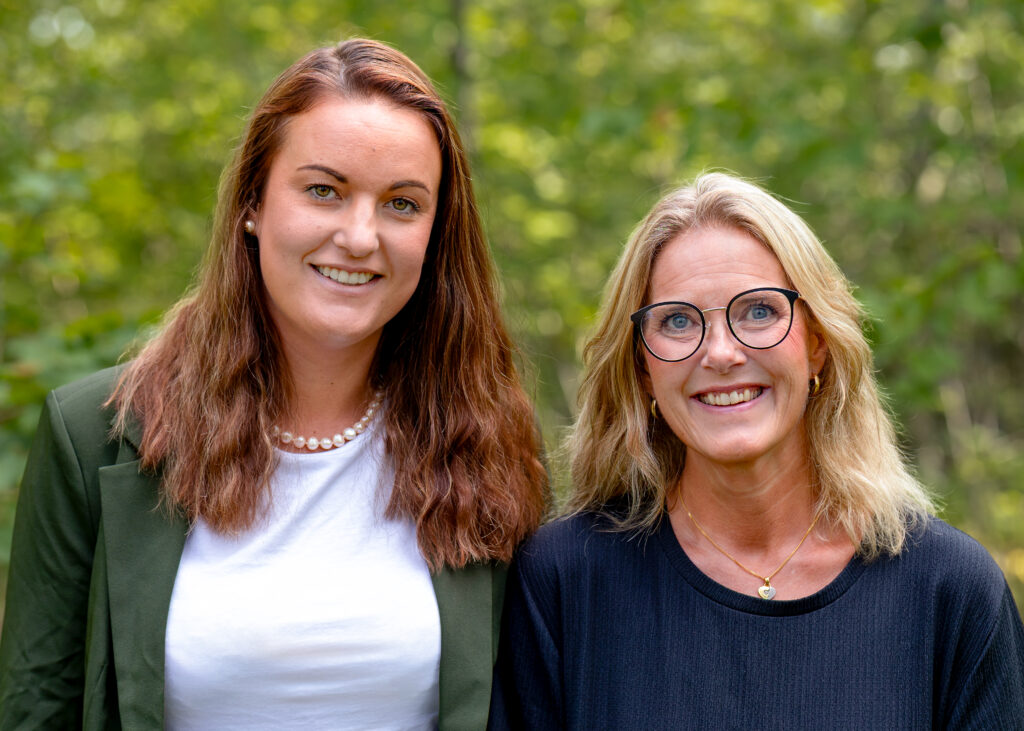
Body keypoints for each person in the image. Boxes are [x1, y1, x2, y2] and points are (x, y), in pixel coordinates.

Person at [0, 39, 548, 729]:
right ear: (253, 203)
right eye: (324, 190)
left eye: (402, 204)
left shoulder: (490, 439)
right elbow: (35, 710)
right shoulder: (95, 434)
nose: (360, 236)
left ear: (436, 233)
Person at [488, 172, 1024, 728]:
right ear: (643, 368)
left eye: (760, 311)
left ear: (818, 342)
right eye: (677, 320)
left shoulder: (949, 589)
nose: (721, 353)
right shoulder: (562, 582)